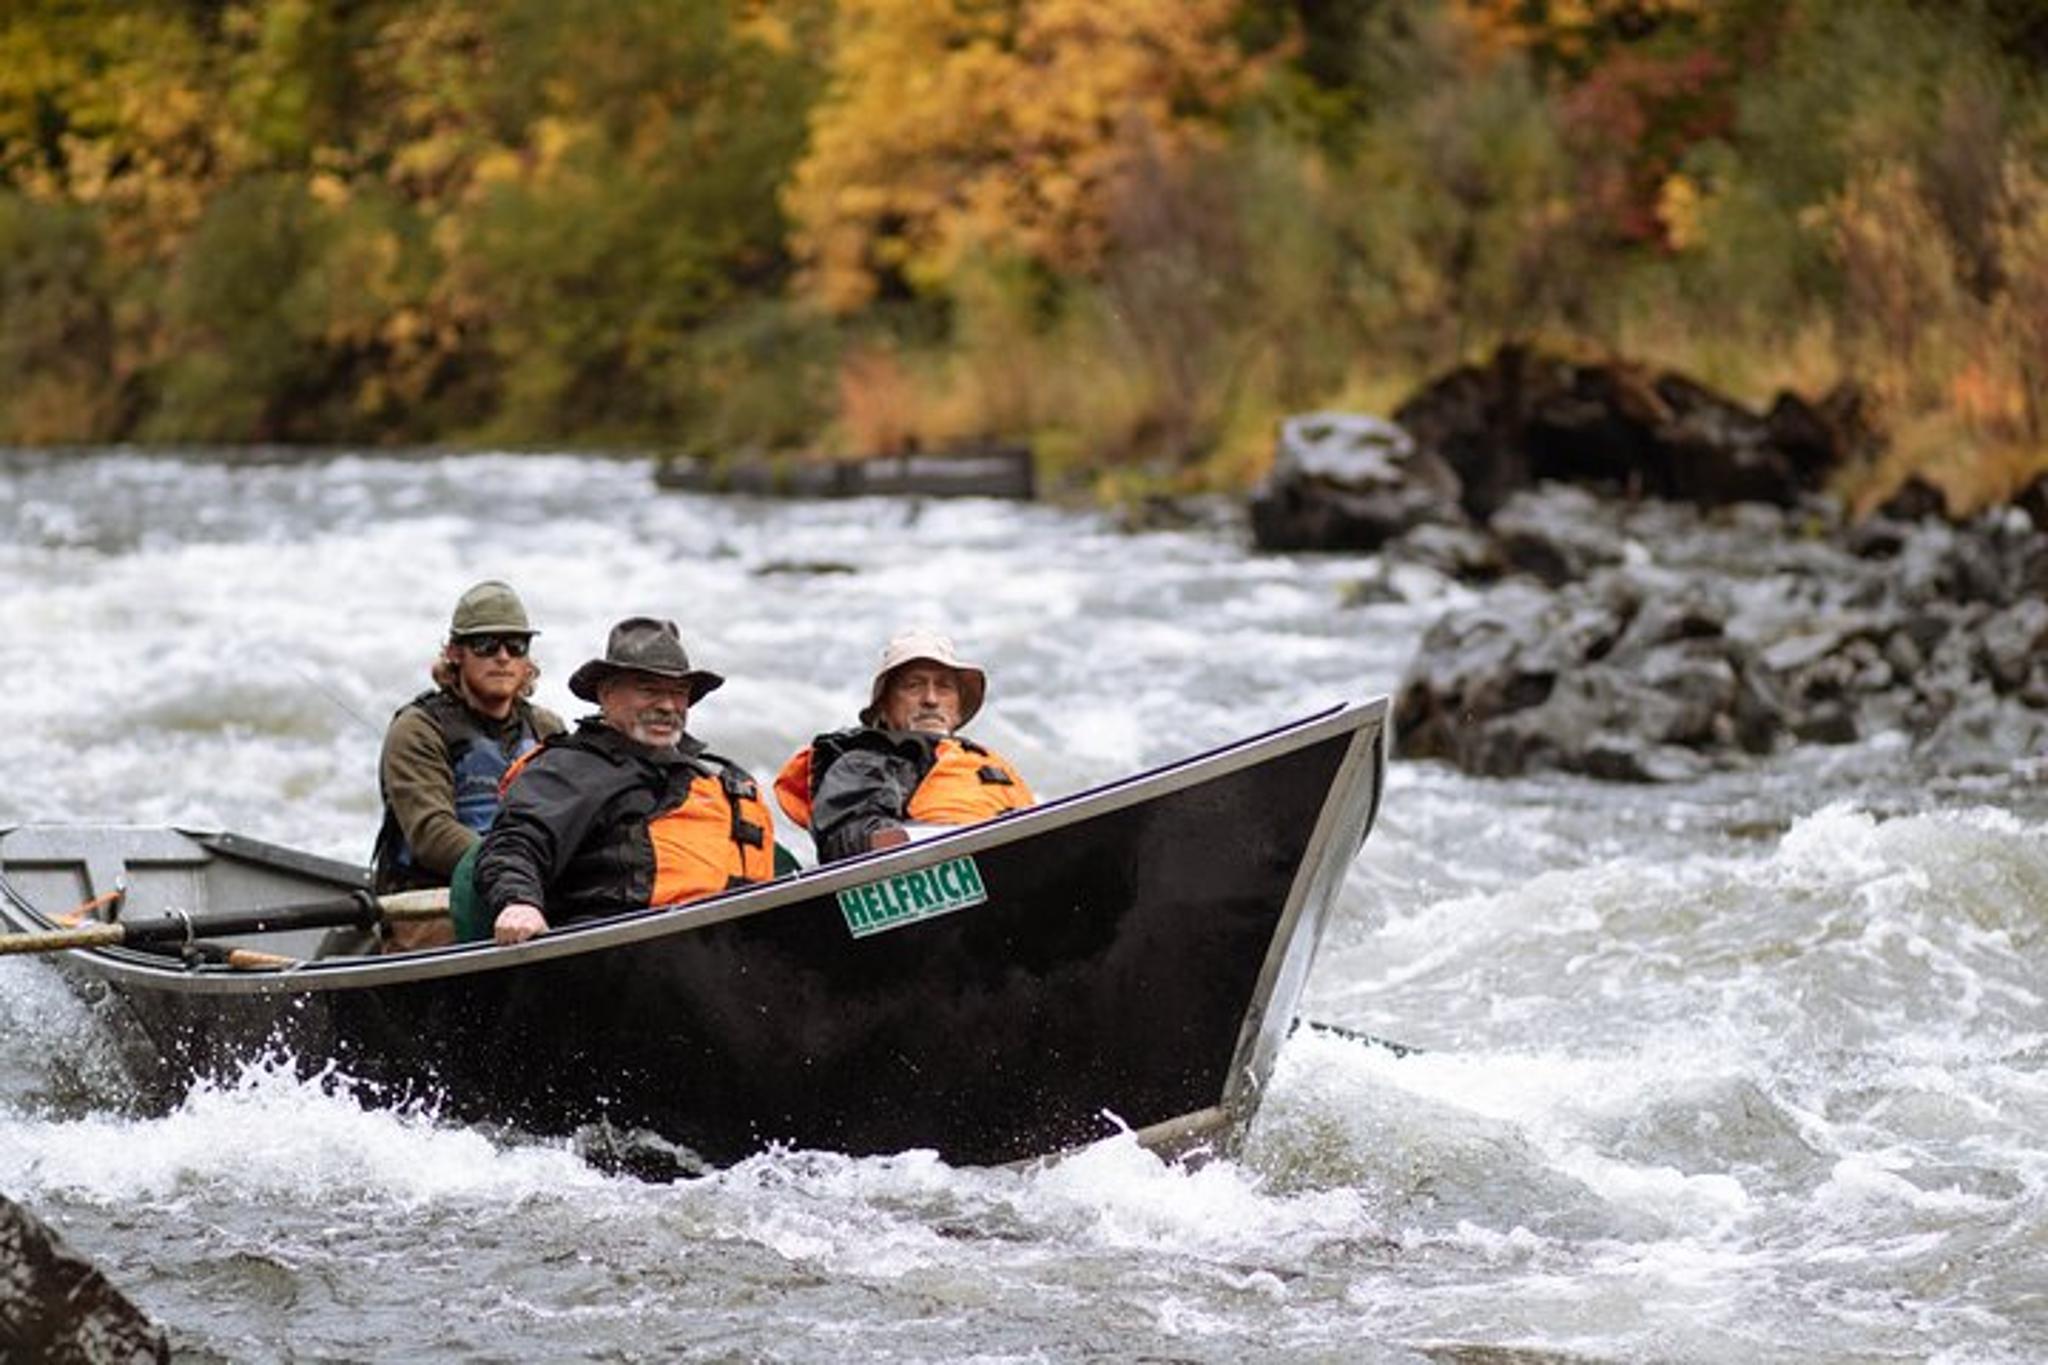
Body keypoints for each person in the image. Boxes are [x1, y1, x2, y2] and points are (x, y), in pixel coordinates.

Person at [475, 617, 776, 945]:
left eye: (678, 693)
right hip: (621, 962)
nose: (667, 706)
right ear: (606, 694)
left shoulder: (711, 781)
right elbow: (516, 843)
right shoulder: (565, 771)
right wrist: (518, 901)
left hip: (734, 956)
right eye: (649, 690)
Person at [371, 580, 564, 950]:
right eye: (486, 645)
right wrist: (512, 875)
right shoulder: (418, 729)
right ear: (456, 653)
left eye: (516, 646)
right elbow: (432, 834)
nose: (503, 657)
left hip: (528, 892)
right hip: (433, 905)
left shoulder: (547, 729)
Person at [774, 628, 1034, 864]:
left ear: (958, 708)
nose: (930, 699)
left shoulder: (992, 764)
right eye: (914, 686)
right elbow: (849, 837)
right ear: (884, 708)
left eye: (943, 687)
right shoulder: (863, 762)